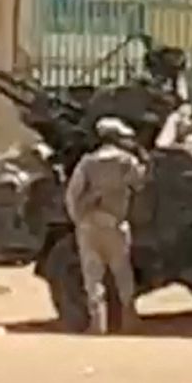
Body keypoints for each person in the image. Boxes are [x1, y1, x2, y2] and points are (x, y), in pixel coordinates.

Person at [65, 117, 150, 334]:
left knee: (92, 275)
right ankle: (129, 320)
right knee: (122, 273)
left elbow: (73, 194)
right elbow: (139, 184)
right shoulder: (125, 161)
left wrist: (78, 219)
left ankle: (97, 323)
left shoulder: (87, 162)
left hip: (89, 224)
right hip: (115, 224)